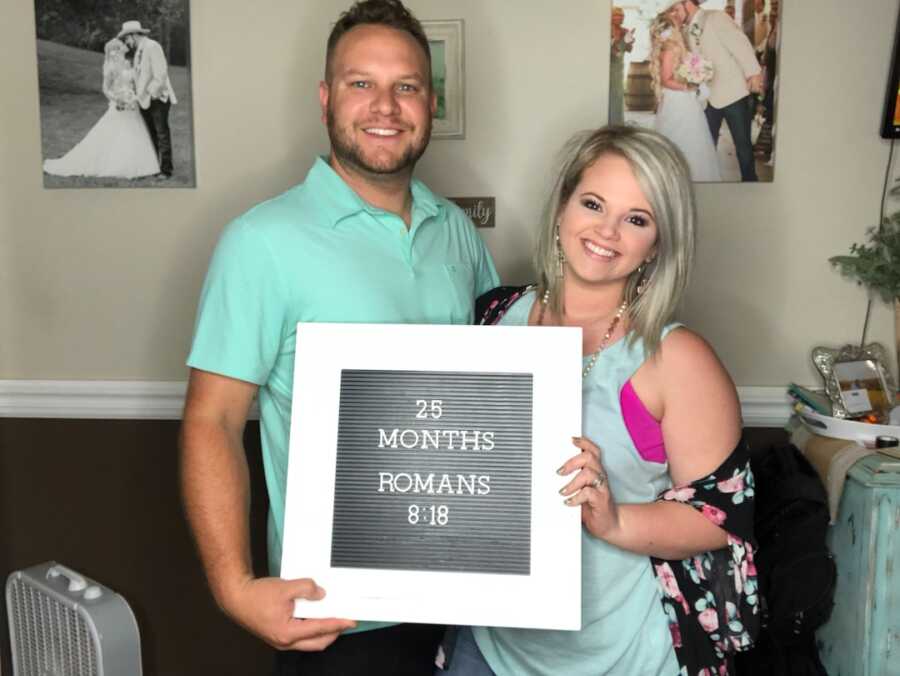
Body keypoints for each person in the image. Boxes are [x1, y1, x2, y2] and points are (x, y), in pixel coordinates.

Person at [180, 1, 499, 674]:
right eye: (361, 83)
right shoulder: (261, 242)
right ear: (326, 99)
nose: (385, 105)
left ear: (430, 103)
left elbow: (493, 393)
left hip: (470, 597)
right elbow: (212, 419)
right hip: (341, 616)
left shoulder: (458, 234)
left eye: (406, 86)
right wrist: (233, 588)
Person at [442, 126, 758, 675]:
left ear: (656, 243)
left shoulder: (676, 358)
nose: (606, 231)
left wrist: (613, 520)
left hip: (622, 654)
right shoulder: (493, 315)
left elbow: (717, 519)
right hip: (491, 644)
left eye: (637, 219)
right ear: (563, 206)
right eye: (593, 203)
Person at [43, 38, 160, 179]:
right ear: (115, 50)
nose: (124, 45)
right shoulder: (110, 68)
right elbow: (105, 88)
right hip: (119, 103)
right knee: (117, 132)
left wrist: (133, 96)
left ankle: (140, 165)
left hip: (132, 104)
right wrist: (117, 99)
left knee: (135, 130)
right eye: (121, 45)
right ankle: (120, 165)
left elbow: (135, 83)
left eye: (123, 44)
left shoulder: (128, 64)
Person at [677, 0, 763, 182]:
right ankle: (709, 183)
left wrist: (754, 73)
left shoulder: (716, 18)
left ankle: (750, 184)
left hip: (734, 93)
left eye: (676, 9)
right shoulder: (685, 31)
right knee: (707, 146)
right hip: (708, 97)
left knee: (743, 148)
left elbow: (740, 44)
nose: (675, 14)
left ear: (687, 4)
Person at [650, 11, 722, 182]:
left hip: (684, 99)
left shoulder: (676, 48)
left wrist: (697, 74)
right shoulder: (670, 49)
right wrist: (688, 86)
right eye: (676, 23)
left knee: (694, 140)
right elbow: (666, 80)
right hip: (678, 101)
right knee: (684, 137)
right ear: (672, 29)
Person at [118, 20, 177, 178]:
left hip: (158, 98)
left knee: (161, 134)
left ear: (133, 35)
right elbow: (140, 76)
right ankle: (153, 167)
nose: (126, 42)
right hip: (145, 100)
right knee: (151, 134)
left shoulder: (152, 46)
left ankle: (166, 170)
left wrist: (151, 94)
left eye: (126, 38)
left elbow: (161, 73)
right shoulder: (139, 51)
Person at [608, 7, 634, 126]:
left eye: (622, 16)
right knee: (609, 93)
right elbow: (611, 49)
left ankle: (617, 122)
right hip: (609, 64)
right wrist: (618, 42)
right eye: (618, 15)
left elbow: (629, 49)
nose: (621, 18)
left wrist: (629, 41)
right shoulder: (607, 30)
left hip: (619, 65)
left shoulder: (624, 31)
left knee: (618, 93)